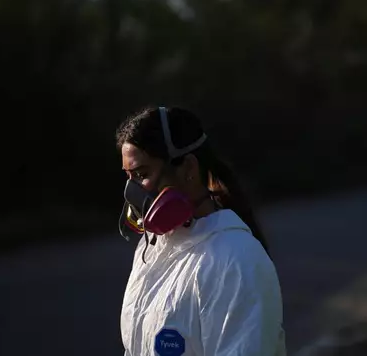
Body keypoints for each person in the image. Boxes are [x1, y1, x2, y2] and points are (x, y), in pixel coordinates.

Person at [115, 105, 287, 356]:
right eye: (129, 177)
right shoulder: (151, 248)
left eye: (142, 174)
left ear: (188, 169)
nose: (132, 192)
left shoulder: (235, 260)